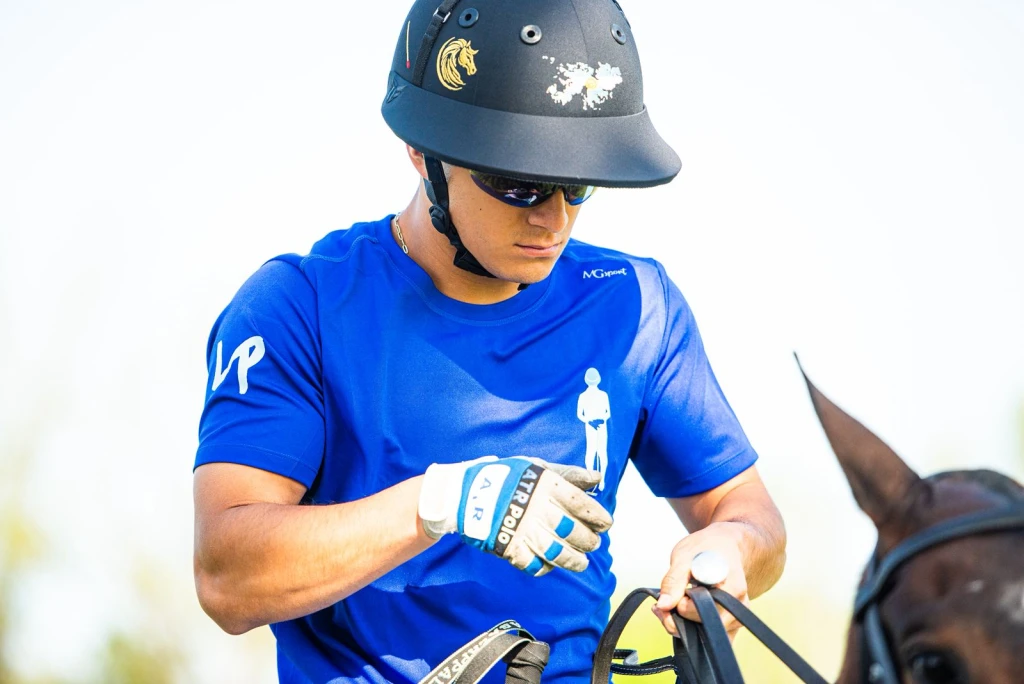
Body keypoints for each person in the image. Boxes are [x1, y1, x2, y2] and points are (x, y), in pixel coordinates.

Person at [192, 0, 787, 681]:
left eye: (578, 184)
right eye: (520, 184)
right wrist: (442, 503)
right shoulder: (300, 306)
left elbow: (752, 516)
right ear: (422, 153)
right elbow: (226, 577)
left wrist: (730, 552)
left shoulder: (636, 305)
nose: (554, 219)